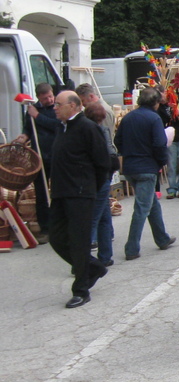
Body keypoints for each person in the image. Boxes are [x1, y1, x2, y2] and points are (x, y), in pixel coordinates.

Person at [48, 91, 110, 308]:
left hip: (80, 193)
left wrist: (89, 187)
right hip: (60, 192)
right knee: (56, 238)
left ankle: (81, 290)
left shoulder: (88, 128)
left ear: (73, 106)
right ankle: (94, 267)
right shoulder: (62, 127)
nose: (55, 108)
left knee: (79, 241)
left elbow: (103, 163)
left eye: (59, 104)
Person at [114, 86, 175, 260]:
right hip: (147, 167)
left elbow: (117, 140)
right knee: (142, 207)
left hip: (130, 167)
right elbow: (160, 143)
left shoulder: (128, 117)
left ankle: (162, 238)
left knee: (150, 203)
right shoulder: (154, 118)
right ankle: (131, 248)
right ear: (155, 103)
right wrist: (161, 162)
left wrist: (129, 152)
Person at [13, 82, 59, 243]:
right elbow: (29, 128)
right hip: (39, 157)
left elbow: (57, 126)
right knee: (41, 193)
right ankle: (45, 228)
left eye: (51, 96)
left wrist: (38, 116)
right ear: (39, 97)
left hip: (56, 155)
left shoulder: (57, 108)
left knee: (58, 191)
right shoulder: (32, 110)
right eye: (45, 98)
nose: (50, 100)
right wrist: (24, 136)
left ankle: (60, 226)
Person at [83, 100, 118, 268]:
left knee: (93, 217)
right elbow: (111, 152)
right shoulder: (102, 130)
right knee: (102, 216)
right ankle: (105, 256)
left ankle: (83, 261)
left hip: (97, 178)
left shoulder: (89, 131)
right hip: (104, 176)